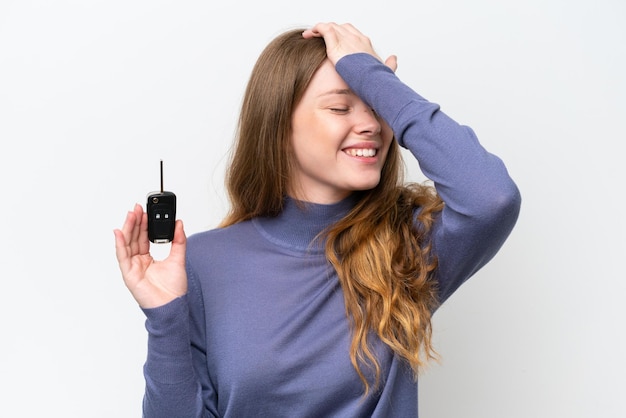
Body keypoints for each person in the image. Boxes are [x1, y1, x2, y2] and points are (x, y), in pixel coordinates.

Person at [114, 22, 521, 418]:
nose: (371, 126)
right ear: (278, 125)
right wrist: (165, 317)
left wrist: (375, 78)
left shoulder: (408, 244)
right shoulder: (200, 263)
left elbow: (491, 197)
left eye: (378, 109)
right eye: (340, 107)